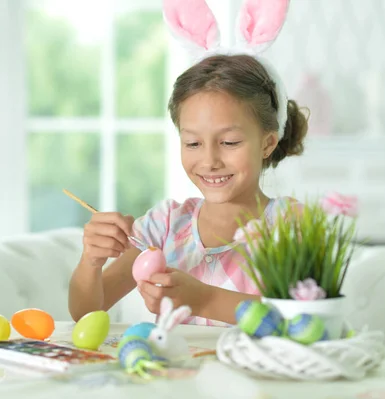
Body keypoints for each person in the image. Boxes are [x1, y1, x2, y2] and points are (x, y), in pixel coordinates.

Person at [68, 0, 308, 326]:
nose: (209, 160)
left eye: (229, 142)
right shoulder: (164, 226)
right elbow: (86, 313)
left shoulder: (291, 226)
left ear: (267, 142)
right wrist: (91, 262)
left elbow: (302, 323)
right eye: (192, 143)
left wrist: (204, 299)